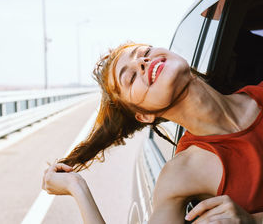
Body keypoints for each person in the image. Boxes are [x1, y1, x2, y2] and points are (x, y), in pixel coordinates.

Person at [42, 42, 263, 223]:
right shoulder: (180, 175)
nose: (142, 61)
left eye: (145, 52)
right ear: (144, 116)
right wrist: (77, 188)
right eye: (130, 78)